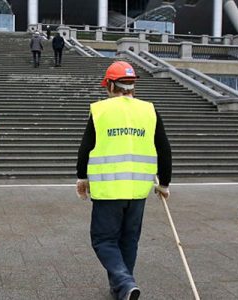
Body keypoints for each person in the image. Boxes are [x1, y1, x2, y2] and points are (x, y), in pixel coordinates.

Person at [76, 61, 172, 300]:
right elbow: (164, 148)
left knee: (103, 240)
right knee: (129, 241)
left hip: (109, 189)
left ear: (109, 85)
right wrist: (165, 183)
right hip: (138, 190)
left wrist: (81, 178)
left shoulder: (101, 110)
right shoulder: (149, 110)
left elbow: (86, 147)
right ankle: (122, 289)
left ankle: (124, 281)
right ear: (132, 86)